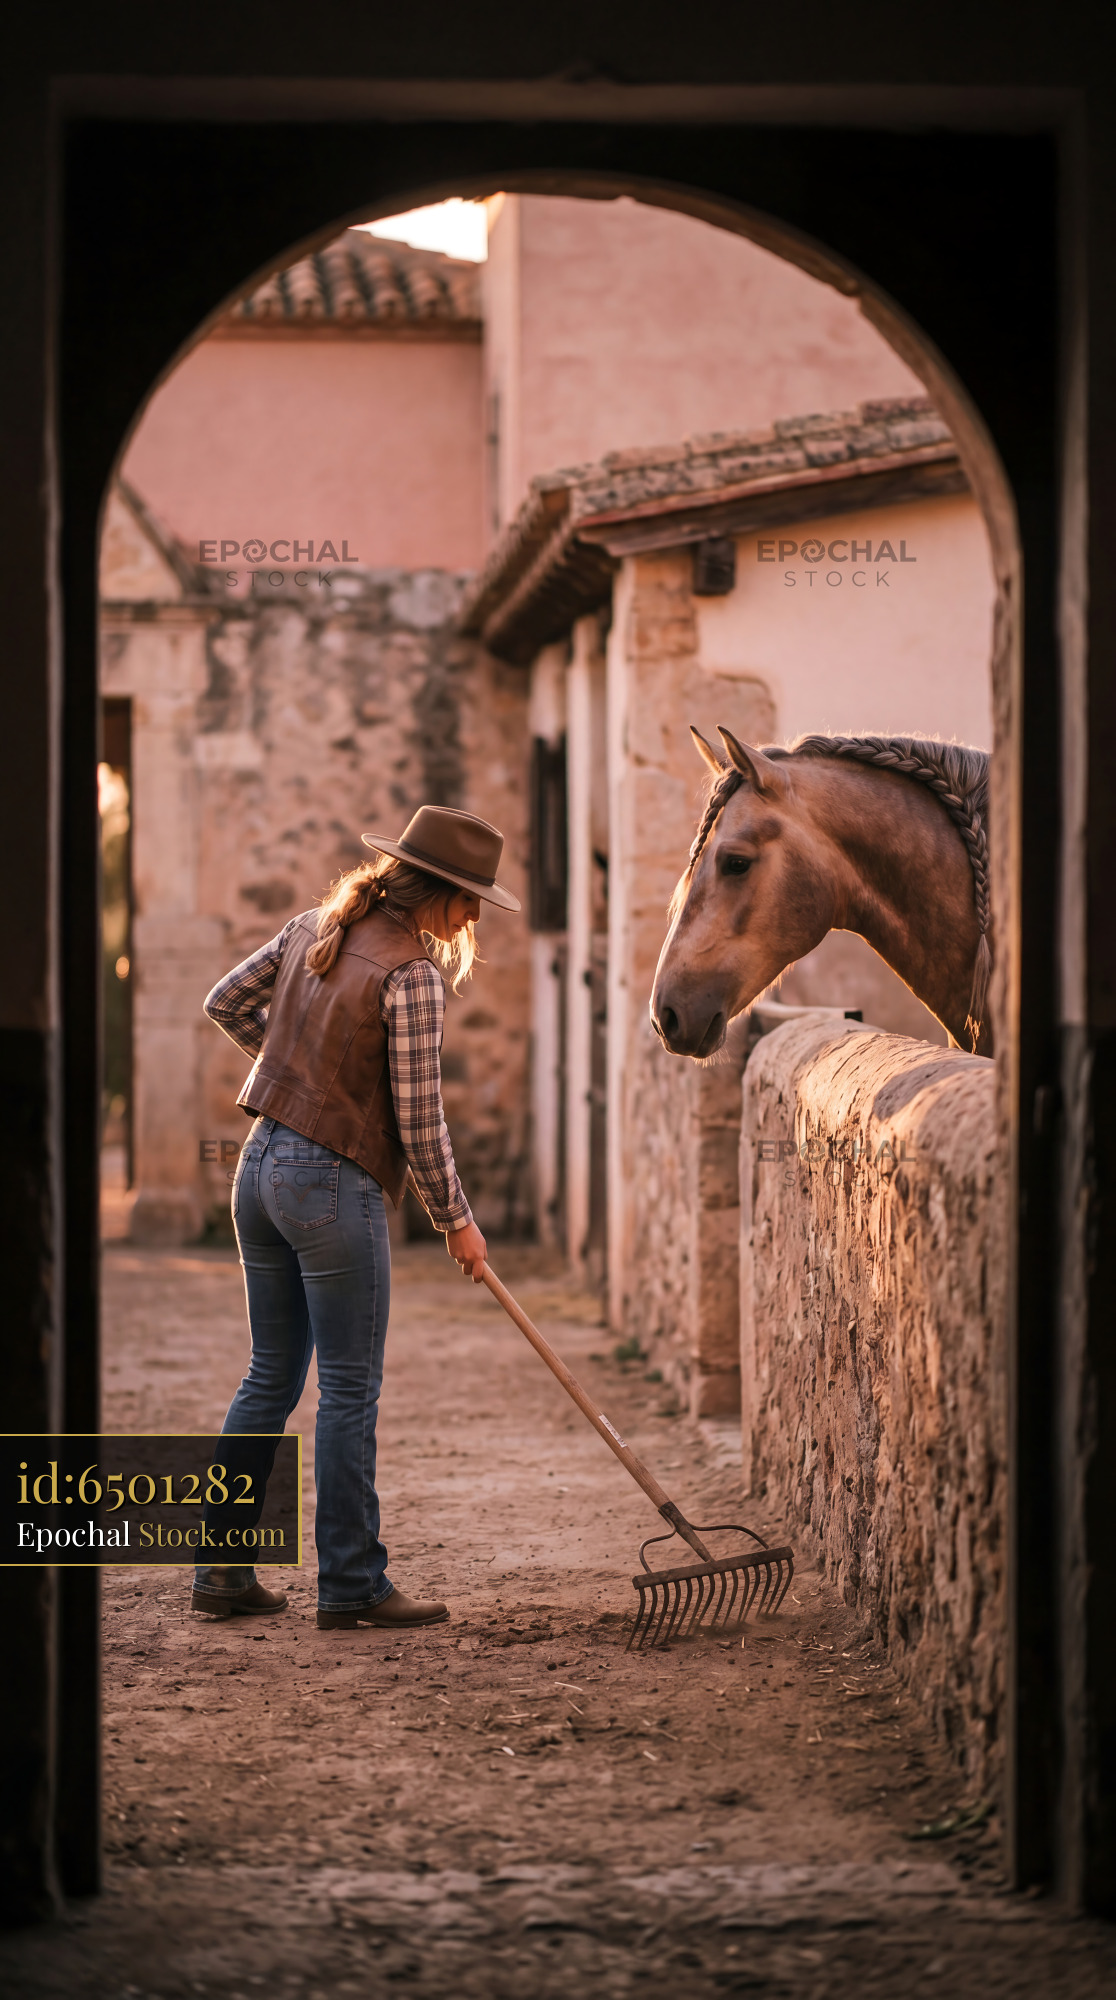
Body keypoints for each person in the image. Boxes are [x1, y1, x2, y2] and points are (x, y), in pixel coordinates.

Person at [190, 806, 520, 1630]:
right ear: (436, 890)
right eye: (470, 897)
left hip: (259, 1166)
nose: (474, 916)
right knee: (346, 1389)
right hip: (329, 1186)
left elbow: (226, 1003)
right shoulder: (410, 975)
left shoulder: (312, 926)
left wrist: (294, 1076)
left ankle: (220, 1573)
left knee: (269, 1377)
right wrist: (458, 1221)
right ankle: (350, 1583)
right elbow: (420, 1120)